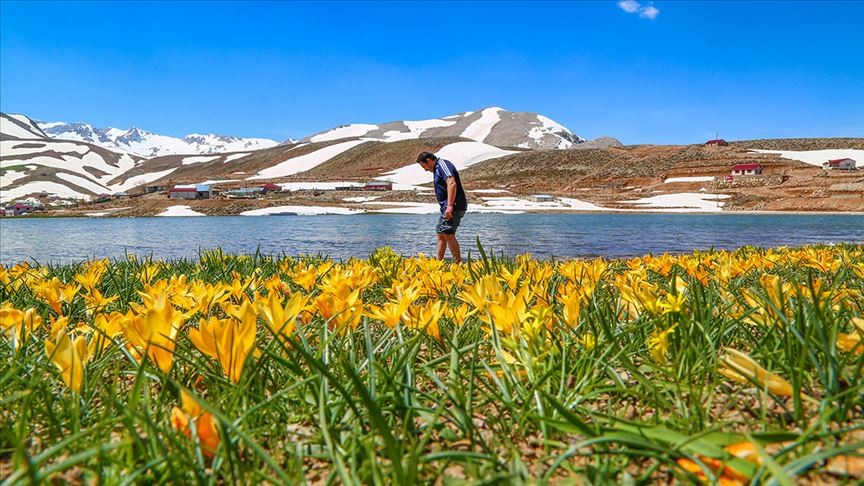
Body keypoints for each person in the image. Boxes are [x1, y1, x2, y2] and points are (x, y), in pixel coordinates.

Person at [417, 151, 467, 263]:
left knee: (448, 233)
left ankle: (458, 265)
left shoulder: (442, 165)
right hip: (447, 207)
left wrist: (450, 206)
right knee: (441, 233)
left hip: (454, 206)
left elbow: (451, 183)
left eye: (424, 166)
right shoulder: (437, 169)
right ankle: (438, 264)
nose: (424, 169)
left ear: (429, 160)